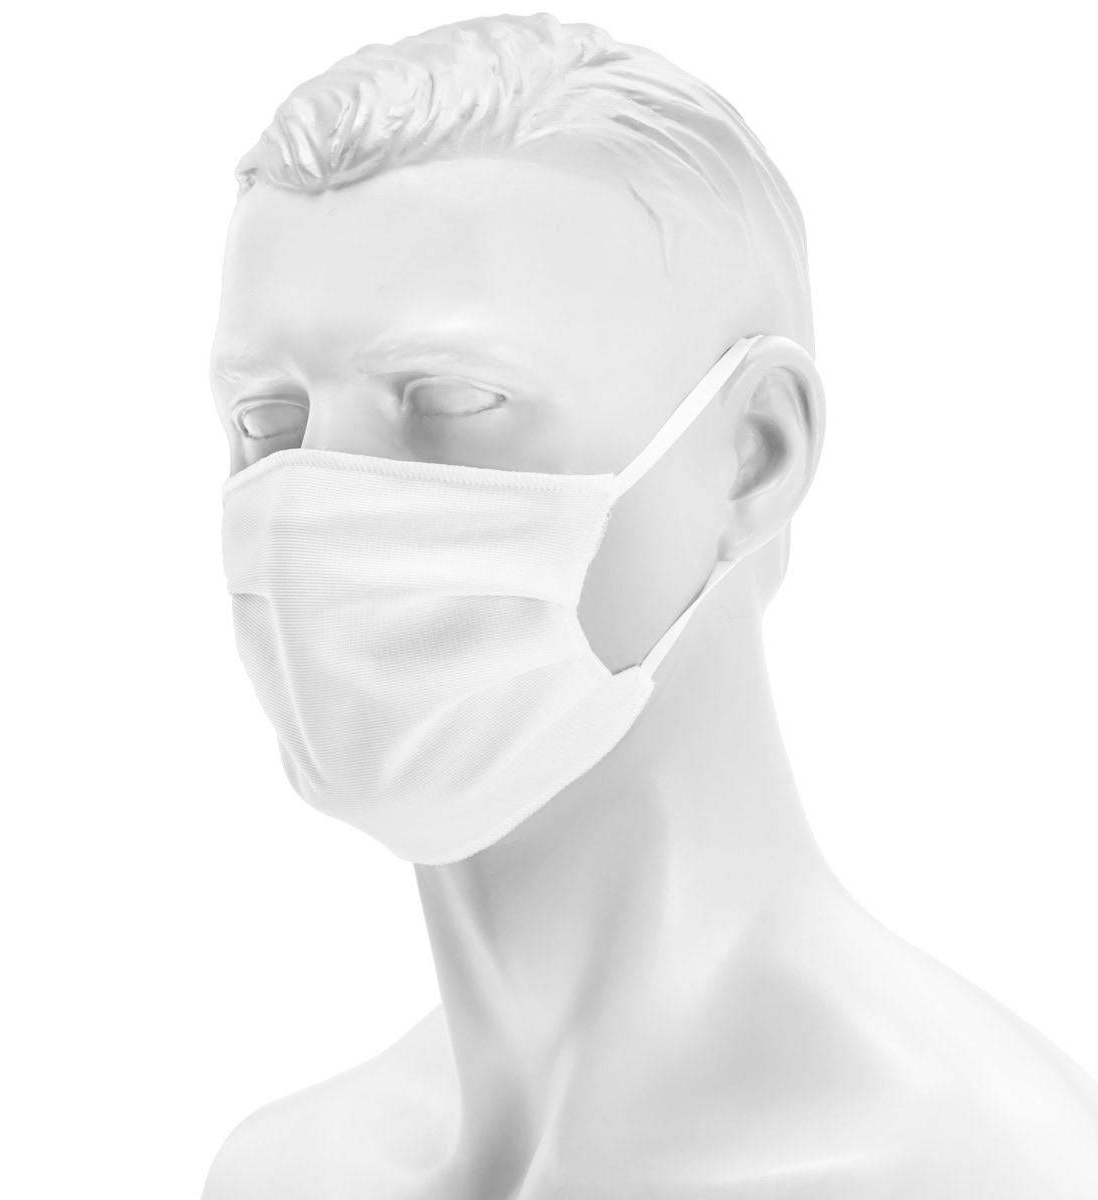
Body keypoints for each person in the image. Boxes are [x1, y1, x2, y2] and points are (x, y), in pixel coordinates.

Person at [202, 14, 1098, 1197]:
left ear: (754, 454)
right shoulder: (284, 1172)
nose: (318, 498)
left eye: (451, 401)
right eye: (266, 421)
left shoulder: (992, 1168)